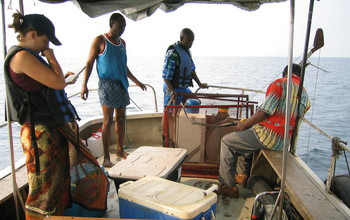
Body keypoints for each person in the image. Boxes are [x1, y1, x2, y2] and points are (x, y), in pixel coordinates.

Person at [4, 13, 108, 219]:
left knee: (58, 184)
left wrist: (61, 77)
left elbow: (54, 82)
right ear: (33, 34)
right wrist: (51, 57)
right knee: (43, 189)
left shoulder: (29, 56)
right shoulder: (21, 56)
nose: (47, 45)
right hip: (40, 133)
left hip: (51, 127)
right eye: (46, 40)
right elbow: (58, 83)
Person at [217, 64, 311, 198]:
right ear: (300, 76)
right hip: (283, 141)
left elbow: (264, 112)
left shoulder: (280, 84)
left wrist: (243, 125)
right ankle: (242, 176)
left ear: (284, 73)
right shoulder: (305, 93)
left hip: (269, 136)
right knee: (245, 136)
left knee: (227, 141)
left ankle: (228, 186)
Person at [81, 13, 146, 167]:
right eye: (119, 27)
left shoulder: (122, 43)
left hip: (121, 84)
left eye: (124, 28)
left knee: (121, 118)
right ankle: (106, 157)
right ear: (111, 25)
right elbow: (89, 63)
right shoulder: (100, 40)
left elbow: (124, 66)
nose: (121, 30)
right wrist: (84, 84)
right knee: (108, 120)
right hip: (106, 85)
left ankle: (119, 149)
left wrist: (137, 81)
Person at [162, 28, 208, 107]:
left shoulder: (187, 51)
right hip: (171, 88)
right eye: (188, 41)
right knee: (169, 113)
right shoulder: (173, 53)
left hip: (183, 89)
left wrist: (199, 84)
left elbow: (192, 70)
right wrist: (172, 90)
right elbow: (166, 77)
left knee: (195, 102)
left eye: (192, 41)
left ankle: (184, 118)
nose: (191, 44)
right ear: (181, 38)